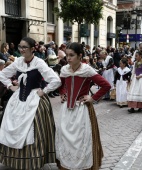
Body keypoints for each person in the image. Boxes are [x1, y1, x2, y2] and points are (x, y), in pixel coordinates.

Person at [0, 37, 61, 170]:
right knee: (11, 125)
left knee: (33, 130)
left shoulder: (39, 63)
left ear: (32, 49)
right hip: (17, 99)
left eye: (24, 47)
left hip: (34, 99)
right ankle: (15, 160)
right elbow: (2, 75)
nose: (21, 50)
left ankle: (32, 160)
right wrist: (10, 86)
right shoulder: (18, 62)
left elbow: (56, 80)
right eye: (20, 47)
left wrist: (44, 91)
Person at [55, 42, 111, 170]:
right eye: (67, 55)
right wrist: (62, 93)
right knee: (65, 137)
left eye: (72, 55)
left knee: (81, 139)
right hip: (66, 111)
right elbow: (61, 84)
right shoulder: (64, 69)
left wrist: (93, 98)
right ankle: (67, 165)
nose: (68, 58)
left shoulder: (87, 70)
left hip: (82, 109)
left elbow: (106, 85)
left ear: (80, 56)